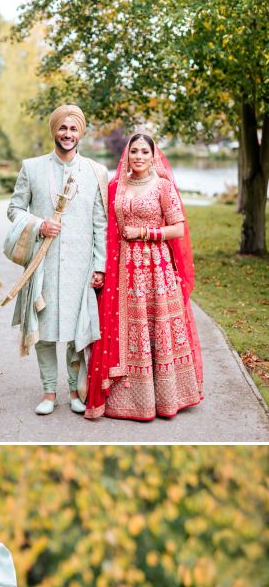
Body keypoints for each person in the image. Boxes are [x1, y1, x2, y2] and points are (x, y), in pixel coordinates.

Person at [85, 133, 203, 420]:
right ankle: (133, 400)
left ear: (153, 156)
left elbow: (178, 229)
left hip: (157, 268)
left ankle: (167, 399)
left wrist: (145, 233)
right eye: (133, 151)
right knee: (132, 329)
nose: (138, 156)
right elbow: (103, 226)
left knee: (158, 327)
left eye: (144, 152)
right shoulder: (117, 187)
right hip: (125, 269)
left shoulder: (163, 186)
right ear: (127, 156)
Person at [6, 104, 108, 415]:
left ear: (81, 133)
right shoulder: (32, 168)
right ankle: (49, 392)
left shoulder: (95, 172)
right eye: (62, 128)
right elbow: (14, 210)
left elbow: (100, 223)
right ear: (54, 131)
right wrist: (39, 225)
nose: (67, 134)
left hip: (81, 266)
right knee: (46, 330)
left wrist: (100, 265)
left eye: (73, 129)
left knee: (77, 332)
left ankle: (76, 392)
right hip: (43, 262)